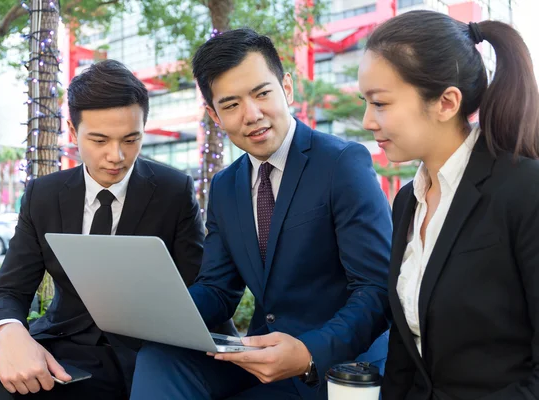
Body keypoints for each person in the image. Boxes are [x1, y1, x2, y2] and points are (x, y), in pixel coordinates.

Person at [130, 28, 392, 400]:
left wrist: (308, 352)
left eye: (262, 93)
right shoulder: (225, 185)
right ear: (213, 114)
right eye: (231, 104)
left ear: (287, 87)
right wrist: (163, 313)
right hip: (259, 358)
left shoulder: (341, 164)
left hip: (335, 367)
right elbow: (218, 289)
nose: (251, 115)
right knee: (161, 358)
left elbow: (376, 288)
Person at [0, 59, 205, 399]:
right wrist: (11, 335)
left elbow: (201, 290)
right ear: (72, 131)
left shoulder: (173, 191)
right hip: (62, 347)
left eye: (131, 139)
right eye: (99, 140)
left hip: (145, 358)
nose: (116, 156)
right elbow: (8, 291)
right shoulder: (44, 194)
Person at [357, 9, 539, 400]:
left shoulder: (525, 189)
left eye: (381, 103)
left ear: (446, 102)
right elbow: (406, 354)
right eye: (365, 102)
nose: (367, 120)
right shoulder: (408, 201)